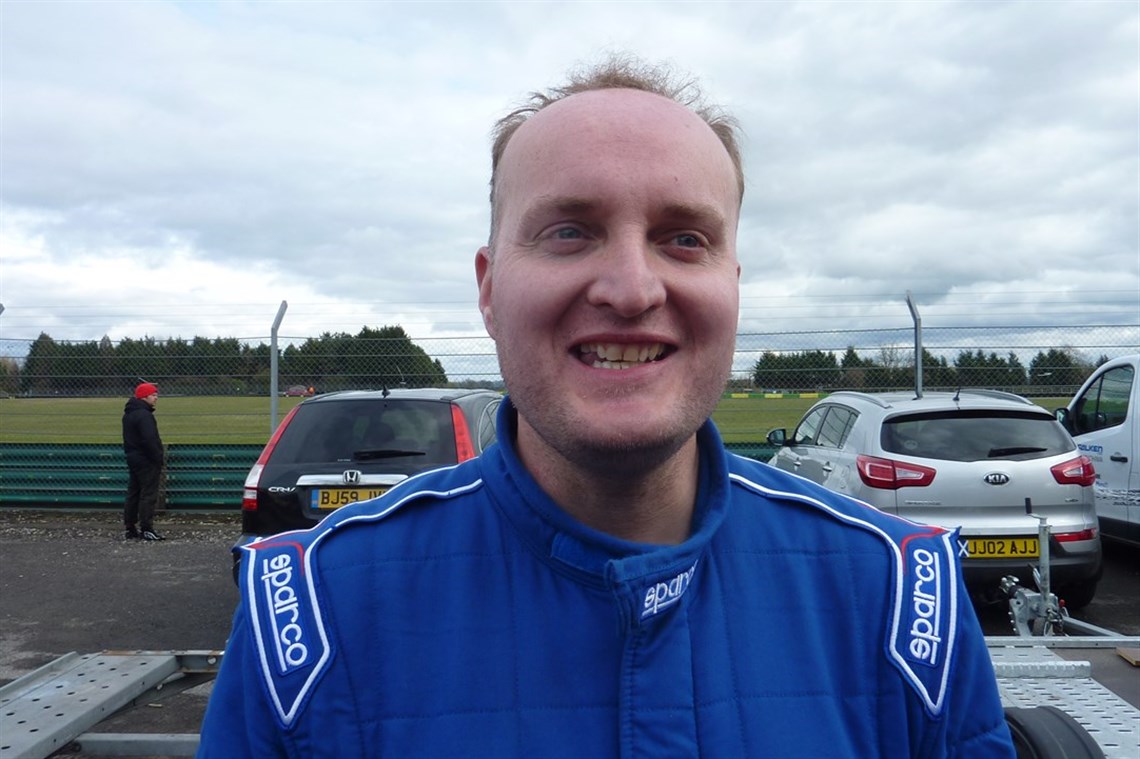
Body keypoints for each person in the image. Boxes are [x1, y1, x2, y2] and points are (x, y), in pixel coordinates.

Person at [198, 55, 1014, 757]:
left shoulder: (903, 599)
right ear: (489, 288)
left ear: (732, 286)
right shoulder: (309, 613)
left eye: (684, 238)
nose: (631, 289)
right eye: (569, 231)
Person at [122, 381, 165, 541]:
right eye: (153, 395)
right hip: (146, 459)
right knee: (148, 494)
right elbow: (150, 439)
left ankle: (130, 527)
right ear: (144, 396)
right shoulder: (144, 415)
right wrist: (157, 457)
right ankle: (146, 528)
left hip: (133, 458)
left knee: (133, 492)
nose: (156, 398)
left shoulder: (129, 414)